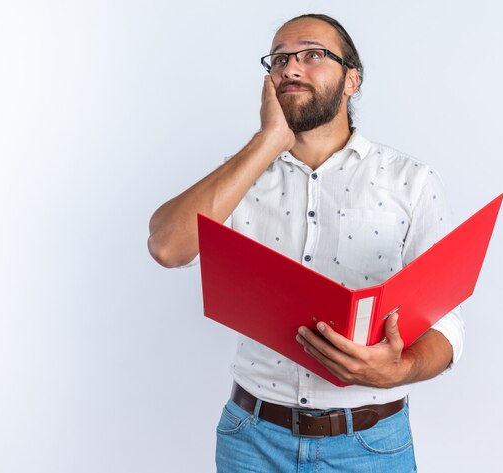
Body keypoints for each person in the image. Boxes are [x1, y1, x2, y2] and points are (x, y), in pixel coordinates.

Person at [148, 13, 464, 472]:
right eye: (279, 60)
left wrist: (398, 370)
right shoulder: (239, 176)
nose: (291, 69)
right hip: (251, 439)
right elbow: (166, 247)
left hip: (372, 444)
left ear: (352, 79)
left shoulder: (411, 182)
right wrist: (269, 140)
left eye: (312, 55)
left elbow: (447, 323)